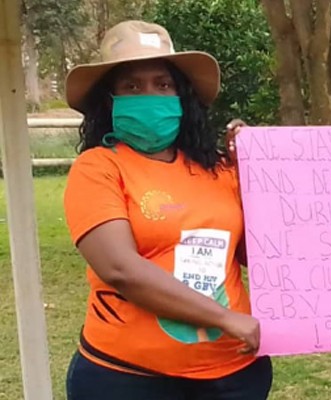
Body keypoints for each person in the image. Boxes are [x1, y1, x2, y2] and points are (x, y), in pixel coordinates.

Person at [61, 20, 271, 399]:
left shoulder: (218, 168)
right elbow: (120, 268)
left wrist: (254, 173)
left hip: (236, 375)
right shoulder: (98, 168)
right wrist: (226, 319)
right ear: (109, 101)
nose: (150, 95)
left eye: (163, 84)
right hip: (130, 380)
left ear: (182, 96)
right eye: (132, 86)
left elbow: (254, 255)